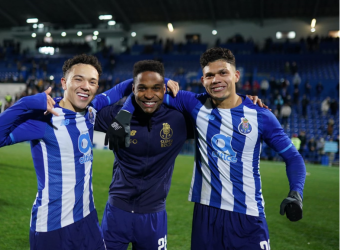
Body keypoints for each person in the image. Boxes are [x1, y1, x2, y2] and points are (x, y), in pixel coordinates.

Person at [113, 47, 306, 250]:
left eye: (223, 73)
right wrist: (165, 81)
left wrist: (296, 193)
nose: (216, 80)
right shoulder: (194, 104)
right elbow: (145, 89)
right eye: (209, 75)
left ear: (236, 75)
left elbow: (293, 158)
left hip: (247, 215)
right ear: (203, 80)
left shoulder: (260, 115)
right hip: (205, 215)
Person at [0, 54, 135, 250]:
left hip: (88, 220)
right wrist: (25, 103)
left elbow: (121, 89)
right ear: (64, 82)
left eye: (92, 82)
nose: (86, 86)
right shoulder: (44, 119)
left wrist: (160, 79)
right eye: (78, 79)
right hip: (53, 228)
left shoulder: (92, 110)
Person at [95, 60, 193, 249]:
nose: (149, 95)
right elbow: (81, 108)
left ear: (164, 89)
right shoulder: (115, 116)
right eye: (142, 88)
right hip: (117, 212)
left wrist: (247, 101)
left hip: (153, 217)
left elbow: (218, 109)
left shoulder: (179, 119)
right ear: (133, 89)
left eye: (156, 88)